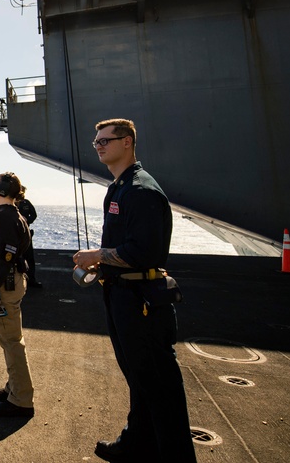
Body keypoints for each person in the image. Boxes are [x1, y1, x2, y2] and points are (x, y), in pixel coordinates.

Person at [72, 119, 197, 463]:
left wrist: (97, 255)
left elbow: (144, 251)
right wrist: (105, 263)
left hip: (141, 302)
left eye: (105, 141)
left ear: (126, 142)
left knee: (160, 388)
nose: (98, 146)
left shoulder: (140, 190)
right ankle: (137, 443)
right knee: (140, 380)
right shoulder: (121, 187)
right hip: (123, 295)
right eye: (95, 141)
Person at [0, 172, 34, 418]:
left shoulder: (5, 218)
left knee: (11, 342)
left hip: (6, 283)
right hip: (12, 280)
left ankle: (21, 399)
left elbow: (4, 255)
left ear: (2, 191)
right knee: (10, 339)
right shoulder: (14, 215)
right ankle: (13, 388)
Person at [16, 194, 42, 288]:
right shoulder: (12, 203)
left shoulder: (26, 203)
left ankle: (31, 279)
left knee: (29, 257)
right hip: (14, 234)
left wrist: (27, 220)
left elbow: (34, 214)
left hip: (26, 233)